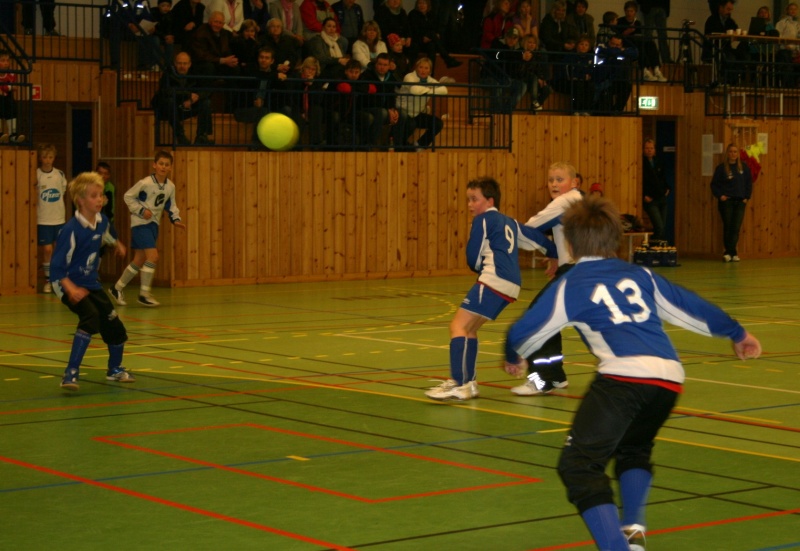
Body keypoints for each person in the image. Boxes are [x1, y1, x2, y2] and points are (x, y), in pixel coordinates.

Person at [505, 195, 762, 551]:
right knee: (634, 448)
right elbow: (690, 306)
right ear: (615, 239)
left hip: (623, 379)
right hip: (668, 379)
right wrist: (737, 333)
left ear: (570, 244)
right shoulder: (641, 275)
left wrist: (514, 356)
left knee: (579, 466)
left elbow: (525, 331)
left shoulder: (571, 283)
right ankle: (633, 530)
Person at [425, 177, 557, 401]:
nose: (470, 205)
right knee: (469, 330)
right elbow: (536, 238)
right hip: (511, 285)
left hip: (493, 279)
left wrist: (478, 268)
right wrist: (553, 255)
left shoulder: (483, 219)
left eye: (474, 199)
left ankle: (459, 383)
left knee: (458, 326)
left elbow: (473, 256)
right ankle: (469, 384)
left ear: (489, 201)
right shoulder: (510, 222)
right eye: (468, 200)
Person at [51, 172, 135, 391]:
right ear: (80, 200)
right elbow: (56, 268)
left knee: (114, 325)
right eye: (94, 195)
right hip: (66, 283)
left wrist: (117, 244)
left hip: (90, 283)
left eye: (101, 195)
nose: (100, 199)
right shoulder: (70, 230)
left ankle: (114, 369)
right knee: (90, 317)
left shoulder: (101, 221)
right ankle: (70, 373)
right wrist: (70, 288)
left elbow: (106, 233)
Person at [507, 161, 583, 396]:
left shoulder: (564, 202)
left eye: (560, 179)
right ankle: (554, 376)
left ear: (574, 182)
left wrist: (501, 233)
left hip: (575, 272)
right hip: (583, 270)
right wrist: (555, 255)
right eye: (551, 180)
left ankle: (543, 380)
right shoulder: (579, 200)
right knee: (550, 322)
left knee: (536, 320)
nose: (554, 184)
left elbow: (529, 229)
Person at [110, 151, 186, 307]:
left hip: (153, 225)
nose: (163, 167)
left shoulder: (170, 186)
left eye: (167, 164)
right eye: (161, 164)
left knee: (139, 259)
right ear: (154, 165)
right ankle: (144, 294)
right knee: (153, 256)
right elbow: (128, 196)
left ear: (171, 167)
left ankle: (116, 288)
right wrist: (141, 210)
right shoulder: (145, 183)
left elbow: (171, 205)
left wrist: (176, 219)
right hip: (140, 224)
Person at [151, 51, 214, 145]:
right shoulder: (168, 73)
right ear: (175, 64)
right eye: (179, 63)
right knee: (169, 101)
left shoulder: (195, 73)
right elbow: (165, 91)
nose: (182, 66)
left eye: (185, 63)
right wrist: (187, 95)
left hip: (188, 107)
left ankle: (201, 137)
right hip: (171, 108)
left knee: (206, 102)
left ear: (189, 64)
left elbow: (207, 89)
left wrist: (195, 98)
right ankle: (180, 135)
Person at [710, 143, 752, 263]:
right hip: (727, 202)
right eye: (731, 151)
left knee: (736, 227)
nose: (733, 154)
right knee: (728, 226)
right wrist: (720, 196)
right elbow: (714, 184)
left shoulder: (744, 167)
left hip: (740, 201)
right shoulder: (721, 168)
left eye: (735, 152)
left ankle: (730, 252)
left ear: (738, 154)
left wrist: (746, 197)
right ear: (727, 154)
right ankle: (730, 252)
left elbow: (748, 183)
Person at [35, 143, 68, 294]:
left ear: (54, 158)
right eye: (44, 157)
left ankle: (57, 279)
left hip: (58, 218)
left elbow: (62, 191)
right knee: (47, 249)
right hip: (43, 219)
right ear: (40, 158)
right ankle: (48, 280)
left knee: (58, 249)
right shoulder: (37, 174)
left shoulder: (59, 174)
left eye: (50, 157)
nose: (47, 160)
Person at [360, 52, 410, 149]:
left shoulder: (391, 77)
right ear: (375, 64)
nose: (382, 67)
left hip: (385, 109)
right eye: (380, 64)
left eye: (385, 65)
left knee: (402, 114)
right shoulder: (367, 75)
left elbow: (393, 93)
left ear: (389, 66)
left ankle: (396, 146)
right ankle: (370, 145)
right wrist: (388, 110)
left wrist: (392, 109)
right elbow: (368, 99)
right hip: (368, 108)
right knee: (382, 112)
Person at [397, 57, 447, 150]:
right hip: (403, 111)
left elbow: (444, 90)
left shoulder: (430, 80)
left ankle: (419, 146)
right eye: (420, 67)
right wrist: (430, 90)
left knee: (438, 123)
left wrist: (427, 91)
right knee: (411, 124)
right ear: (416, 68)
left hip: (416, 114)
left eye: (426, 68)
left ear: (430, 71)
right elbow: (414, 90)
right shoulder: (409, 77)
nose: (423, 70)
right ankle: (398, 145)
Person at [619, 0, 666, 82]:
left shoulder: (637, 23)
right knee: (639, 47)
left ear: (635, 12)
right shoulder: (620, 21)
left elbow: (639, 35)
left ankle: (656, 69)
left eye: (631, 11)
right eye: (628, 11)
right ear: (625, 11)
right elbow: (618, 36)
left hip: (637, 42)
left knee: (651, 44)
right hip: (627, 44)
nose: (629, 13)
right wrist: (628, 31)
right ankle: (645, 71)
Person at [407, 0, 462, 68]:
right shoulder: (413, 14)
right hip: (417, 40)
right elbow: (413, 30)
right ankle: (447, 59)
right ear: (417, 5)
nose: (422, 5)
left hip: (429, 40)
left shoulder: (430, 14)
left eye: (424, 3)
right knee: (432, 35)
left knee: (432, 46)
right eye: (420, 3)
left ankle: (430, 72)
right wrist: (423, 37)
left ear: (428, 5)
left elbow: (433, 28)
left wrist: (433, 35)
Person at [593, 34, 638, 113]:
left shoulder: (621, 51)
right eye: (612, 44)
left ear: (621, 45)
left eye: (617, 45)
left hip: (617, 79)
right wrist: (622, 51)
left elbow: (635, 53)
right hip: (602, 79)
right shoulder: (601, 47)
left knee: (626, 87)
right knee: (606, 93)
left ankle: (617, 110)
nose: (614, 46)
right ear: (609, 42)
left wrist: (619, 51)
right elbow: (610, 51)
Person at [189, 11, 240, 78]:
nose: (218, 25)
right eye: (216, 22)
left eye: (220, 23)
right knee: (209, 67)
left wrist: (231, 60)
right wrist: (222, 60)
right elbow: (202, 55)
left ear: (223, 24)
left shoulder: (224, 33)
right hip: (204, 63)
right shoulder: (201, 33)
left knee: (235, 68)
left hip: (219, 62)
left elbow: (228, 50)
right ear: (210, 21)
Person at [642, 138, 671, 244]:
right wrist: (643, 195)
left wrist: (668, 189)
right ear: (643, 150)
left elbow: (663, 178)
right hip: (650, 199)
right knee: (659, 226)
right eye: (647, 148)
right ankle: (653, 246)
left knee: (662, 228)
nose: (649, 150)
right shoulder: (641, 163)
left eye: (651, 148)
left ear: (654, 150)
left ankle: (657, 247)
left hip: (661, 198)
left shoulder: (658, 162)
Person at [0, 50, 25, 144]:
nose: (6, 63)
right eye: (3, 60)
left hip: (7, 98)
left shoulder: (11, 74)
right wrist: (8, 88)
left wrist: (6, 88)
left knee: (12, 107)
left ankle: (13, 135)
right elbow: (9, 87)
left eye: (7, 60)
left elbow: (14, 87)